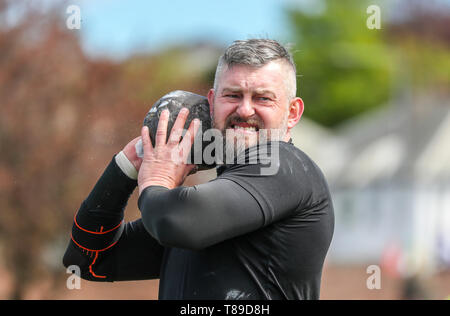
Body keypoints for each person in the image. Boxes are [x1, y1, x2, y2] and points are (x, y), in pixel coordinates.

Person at [62, 39, 334, 300]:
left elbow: (175, 222)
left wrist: (158, 178)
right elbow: (88, 261)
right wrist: (126, 167)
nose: (245, 109)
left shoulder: (285, 167)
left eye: (263, 98)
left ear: (292, 113)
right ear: (212, 102)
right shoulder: (203, 211)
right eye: (233, 95)